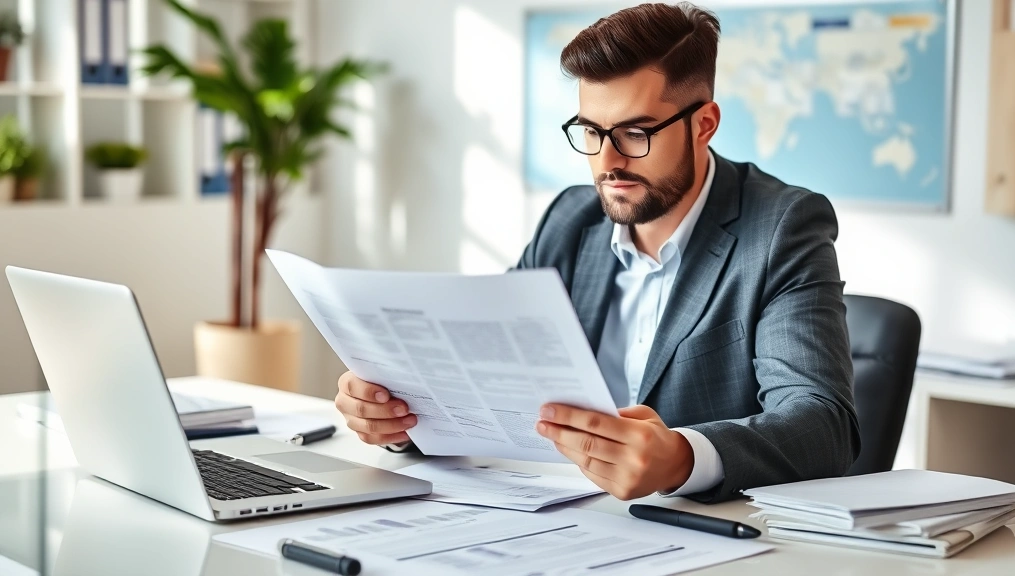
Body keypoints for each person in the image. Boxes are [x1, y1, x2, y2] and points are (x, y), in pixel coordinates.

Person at [334, 1, 859, 503]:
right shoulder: (570, 219)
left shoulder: (781, 228)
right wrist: (401, 422)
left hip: (700, 534)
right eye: (590, 131)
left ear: (704, 125)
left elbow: (822, 423)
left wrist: (683, 457)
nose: (607, 162)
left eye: (634, 133)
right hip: (553, 513)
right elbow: (489, 381)